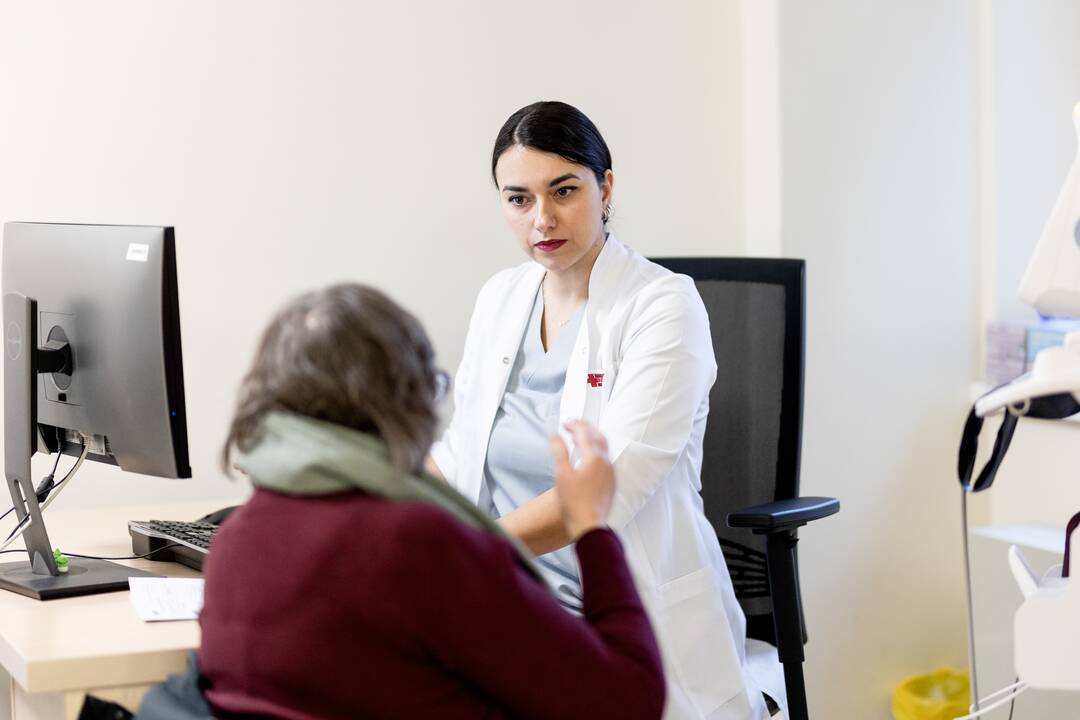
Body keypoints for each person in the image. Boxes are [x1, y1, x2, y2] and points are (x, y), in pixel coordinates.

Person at [427, 101, 780, 719]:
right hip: (504, 606)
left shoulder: (664, 306)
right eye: (519, 199)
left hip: (610, 623)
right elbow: (460, 453)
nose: (542, 219)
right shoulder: (501, 297)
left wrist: (470, 555)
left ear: (605, 186)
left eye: (564, 191)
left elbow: (604, 491)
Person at [197, 284, 666, 719]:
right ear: (408, 398)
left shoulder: (237, 540)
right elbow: (627, 700)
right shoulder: (415, 546)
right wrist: (589, 525)